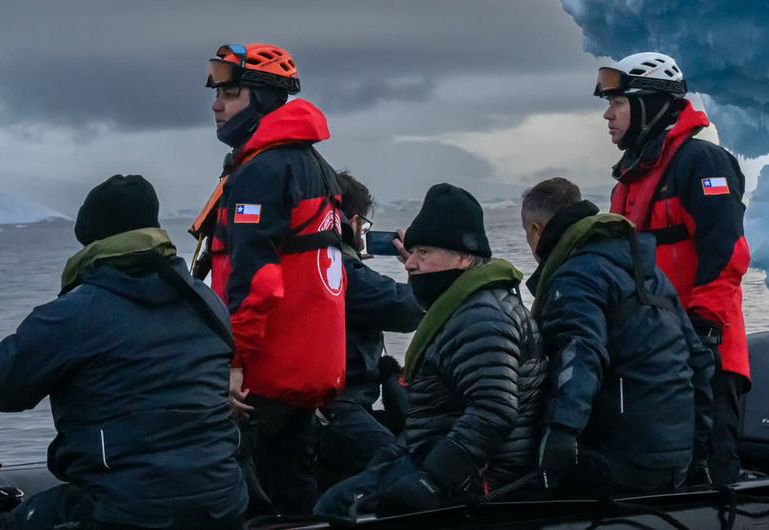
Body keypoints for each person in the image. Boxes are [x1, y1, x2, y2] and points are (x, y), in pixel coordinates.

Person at [0, 175, 247, 529]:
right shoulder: (207, 302)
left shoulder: (78, 312)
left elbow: (1, 387)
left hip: (128, 510)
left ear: (91, 244)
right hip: (223, 502)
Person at [315, 184, 546, 518]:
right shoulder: (461, 306)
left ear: (464, 257)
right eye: (411, 252)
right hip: (434, 455)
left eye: (424, 253)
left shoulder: (482, 316)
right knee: (337, 495)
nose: (409, 264)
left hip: (476, 478)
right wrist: (391, 459)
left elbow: (494, 410)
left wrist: (431, 481)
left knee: (335, 508)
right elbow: (432, 419)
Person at [191, 42, 346, 513]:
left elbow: (257, 280)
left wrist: (234, 363)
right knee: (293, 487)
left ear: (260, 97)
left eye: (231, 93)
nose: (217, 105)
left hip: (266, 373)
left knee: (248, 498)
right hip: (310, 367)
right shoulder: (313, 166)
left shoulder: (261, 172)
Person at [596, 52, 752, 485]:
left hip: (705, 356)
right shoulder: (628, 181)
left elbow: (726, 254)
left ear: (647, 103)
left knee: (707, 474)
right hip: (652, 363)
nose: (607, 115)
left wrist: (703, 329)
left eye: (618, 103)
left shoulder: (703, 163)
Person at [520, 177, 716, 495]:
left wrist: (559, 434)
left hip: (623, 460)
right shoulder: (647, 273)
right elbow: (700, 360)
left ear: (537, 231)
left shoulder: (575, 276)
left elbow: (579, 352)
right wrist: (699, 454)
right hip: (676, 458)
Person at [316, 171, 424, 489]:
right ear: (352, 223)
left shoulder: (307, 262)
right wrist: (417, 266)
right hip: (338, 405)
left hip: (319, 405)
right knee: (401, 469)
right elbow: (408, 309)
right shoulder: (342, 272)